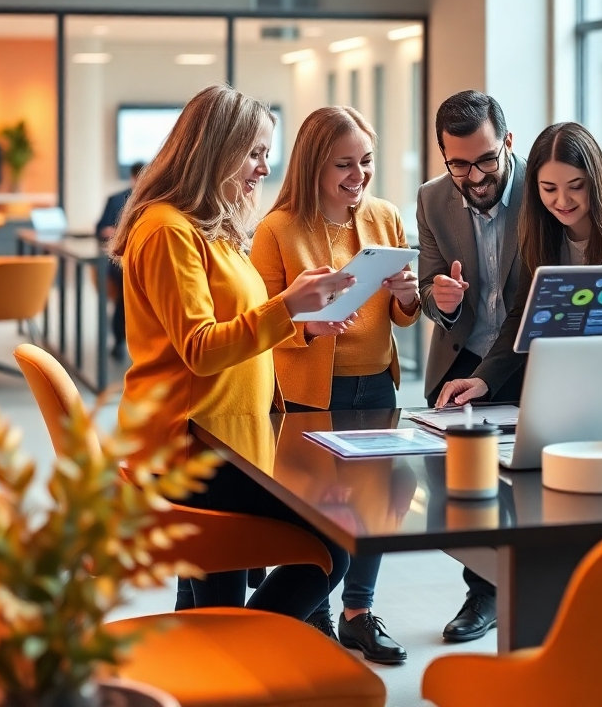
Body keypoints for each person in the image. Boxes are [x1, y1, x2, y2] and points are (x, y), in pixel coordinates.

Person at [111, 84, 354, 620]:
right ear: (214, 149)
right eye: (255, 153)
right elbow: (200, 348)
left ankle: (223, 659)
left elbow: (238, 331)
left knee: (215, 594)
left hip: (227, 438)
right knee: (332, 545)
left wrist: (302, 325)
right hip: (193, 447)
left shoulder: (210, 228)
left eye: (268, 153)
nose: (265, 169)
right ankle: (250, 646)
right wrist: (287, 306)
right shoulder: (167, 231)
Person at [251, 106, 419, 664]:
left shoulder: (385, 216)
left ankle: (359, 613)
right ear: (313, 166)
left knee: (374, 509)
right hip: (308, 390)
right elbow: (263, 322)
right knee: (313, 511)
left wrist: (406, 295)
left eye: (366, 161)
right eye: (344, 164)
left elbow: (403, 316)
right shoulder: (278, 229)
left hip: (376, 384)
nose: (359, 174)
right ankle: (315, 613)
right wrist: (307, 324)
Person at [436, 120, 602, 406]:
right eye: (549, 189)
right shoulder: (539, 230)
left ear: (596, 179)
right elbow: (525, 316)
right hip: (568, 386)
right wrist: (483, 378)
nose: (562, 201)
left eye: (576, 186)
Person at [416, 90, 525, 643]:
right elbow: (428, 291)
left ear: (507, 141)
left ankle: (527, 594)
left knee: (528, 489)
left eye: (485, 159)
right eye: (458, 163)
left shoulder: (544, 192)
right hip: (463, 361)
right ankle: (483, 592)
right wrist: (443, 300)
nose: (474, 175)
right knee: (468, 498)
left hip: (528, 359)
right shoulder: (434, 199)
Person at [96, 159, 145, 359]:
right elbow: (100, 229)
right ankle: (120, 340)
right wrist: (118, 232)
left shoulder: (156, 201)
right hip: (121, 262)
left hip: (146, 259)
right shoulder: (116, 200)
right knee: (126, 285)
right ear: (132, 178)